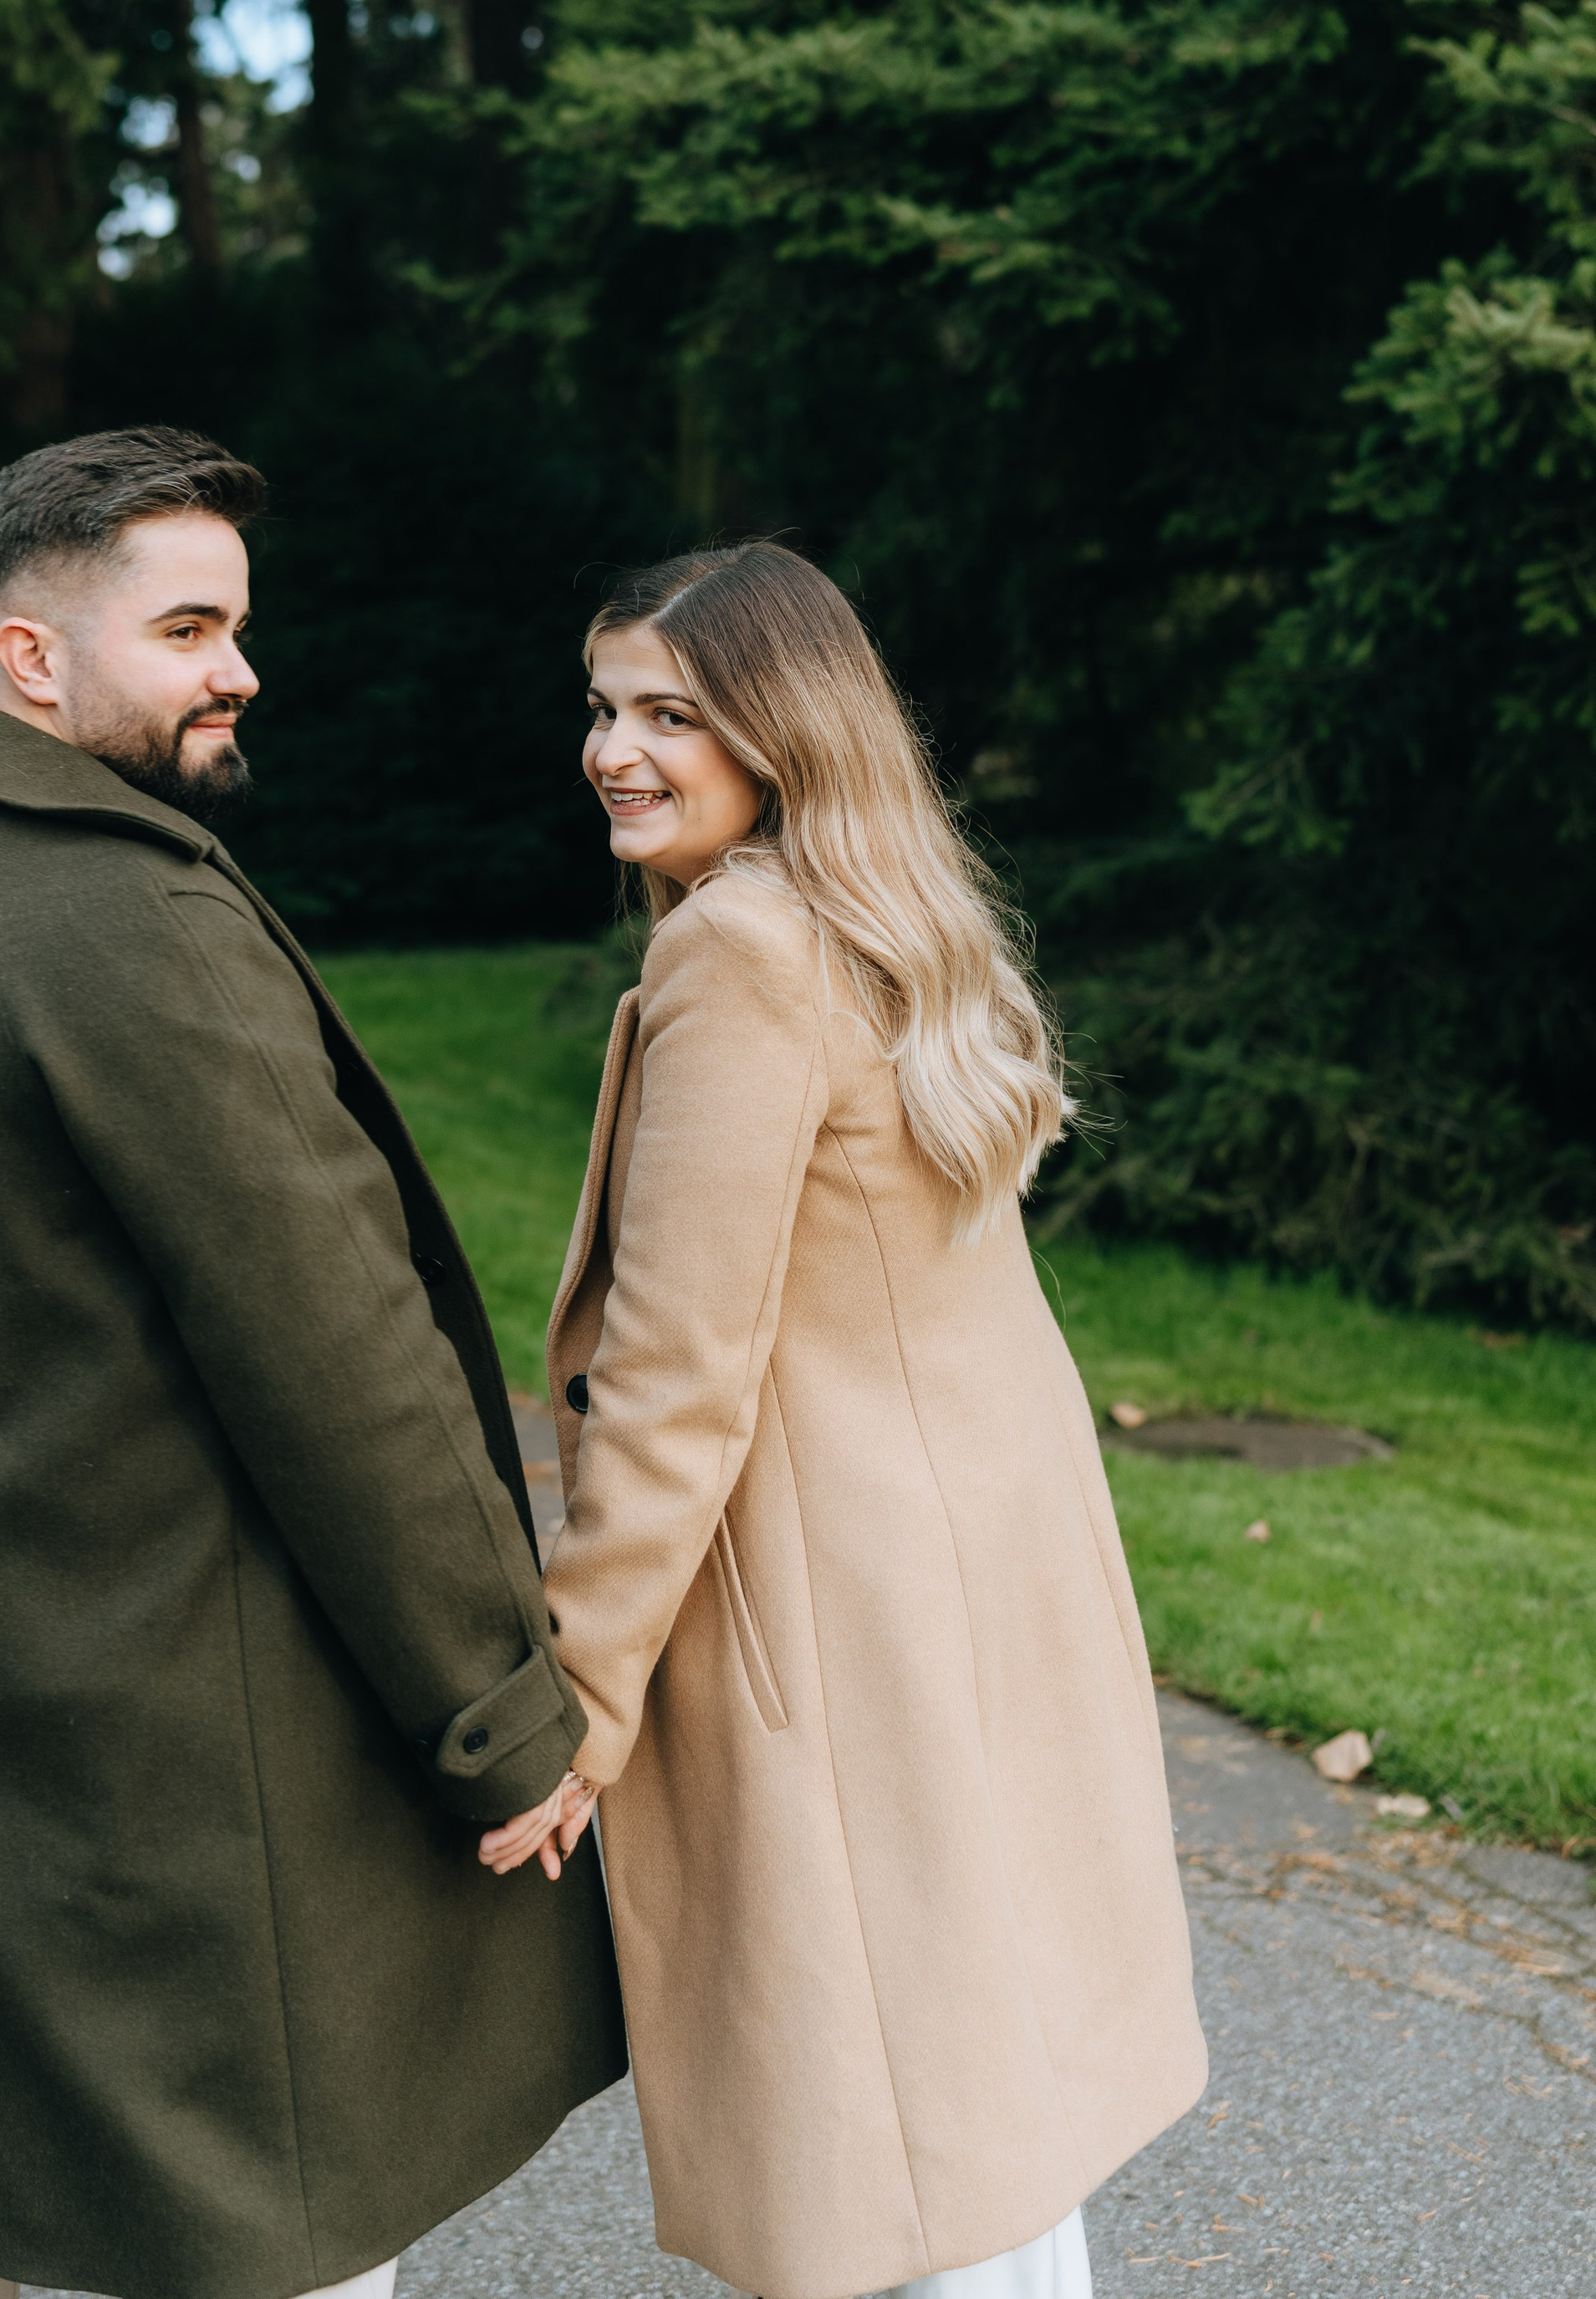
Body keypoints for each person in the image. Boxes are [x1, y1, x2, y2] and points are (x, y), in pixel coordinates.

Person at [0, 425, 625, 2299]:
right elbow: (344, 1367)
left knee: (23, 2214)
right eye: (185, 627)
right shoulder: (133, 919)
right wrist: (501, 1717)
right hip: (184, 1755)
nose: (239, 666)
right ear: (31, 659)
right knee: (260, 2232)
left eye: (234, 624)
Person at [482, 541, 1206, 2299]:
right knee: (977, 2094)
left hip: (837, 1607)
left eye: (670, 712)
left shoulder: (740, 949)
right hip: (965, 1578)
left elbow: (673, 1369)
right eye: (600, 707)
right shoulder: (879, 926)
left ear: (782, 732)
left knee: (889, 2125)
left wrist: (579, 1694)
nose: (612, 750)